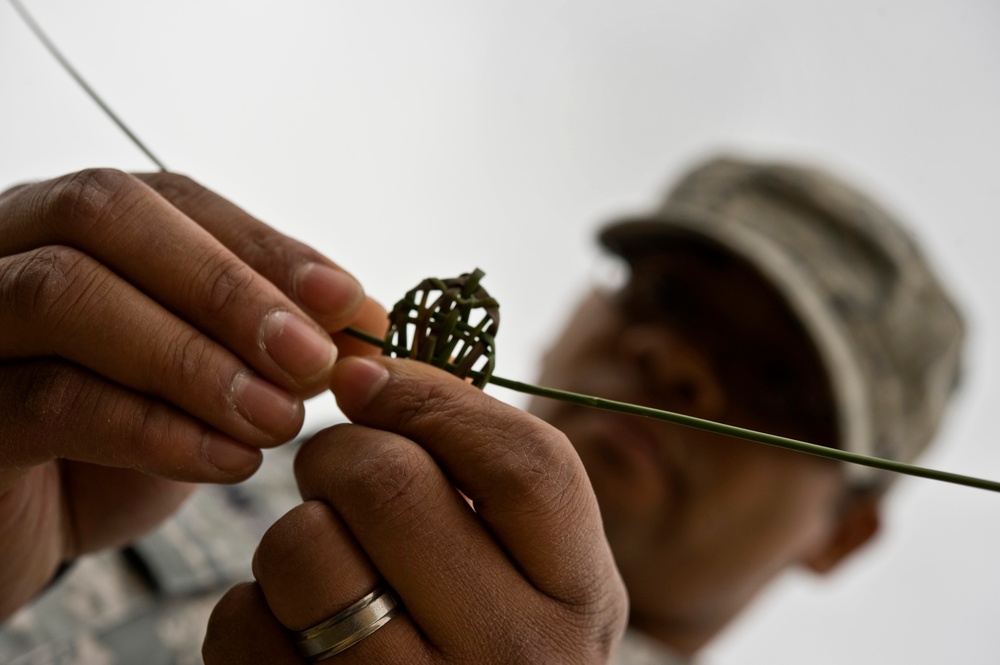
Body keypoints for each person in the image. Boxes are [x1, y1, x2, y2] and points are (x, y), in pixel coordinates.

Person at [0, 154, 965, 664]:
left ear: (845, 534)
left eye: (775, 381)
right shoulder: (159, 463)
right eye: (667, 299)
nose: (677, 362)